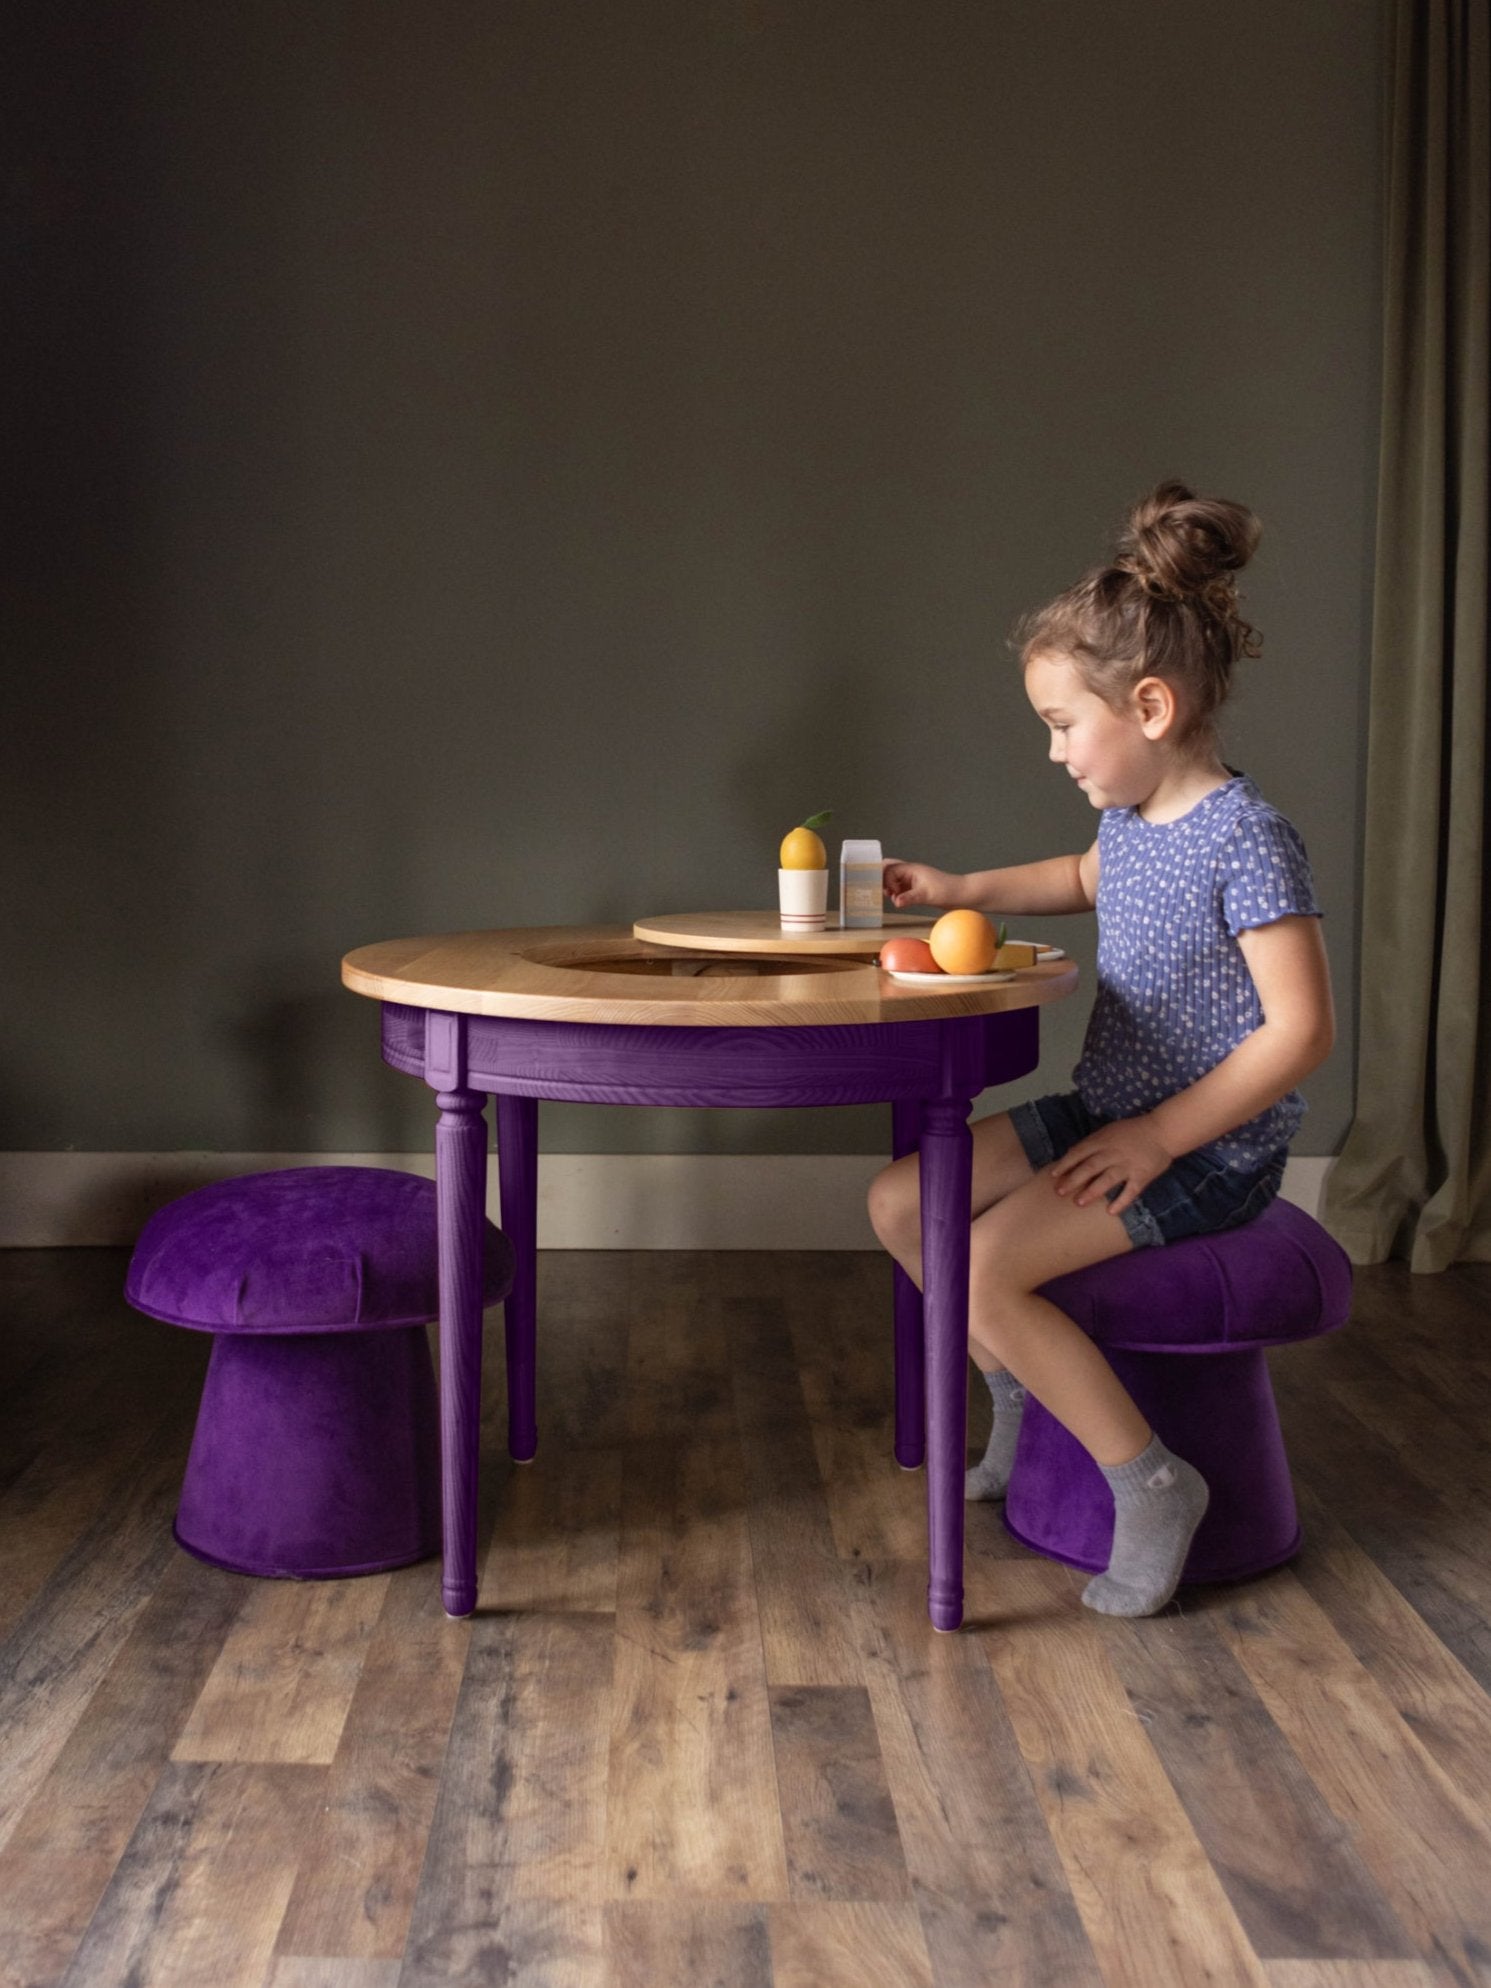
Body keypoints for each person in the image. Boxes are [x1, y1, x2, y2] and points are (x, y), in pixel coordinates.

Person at [867, 481, 1334, 1618]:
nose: (1053, 750)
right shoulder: (1131, 822)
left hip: (1202, 1148)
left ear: (1154, 708)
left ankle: (1154, 1482)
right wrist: (963, 889)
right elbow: (1085, 878)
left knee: (981, 1266)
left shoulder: (1248, 838)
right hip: (1109, 1106)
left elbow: (1303, 1029)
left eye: (1065, 725)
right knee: (899, 1202)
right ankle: (1019, 1389)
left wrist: (1161, 1137)